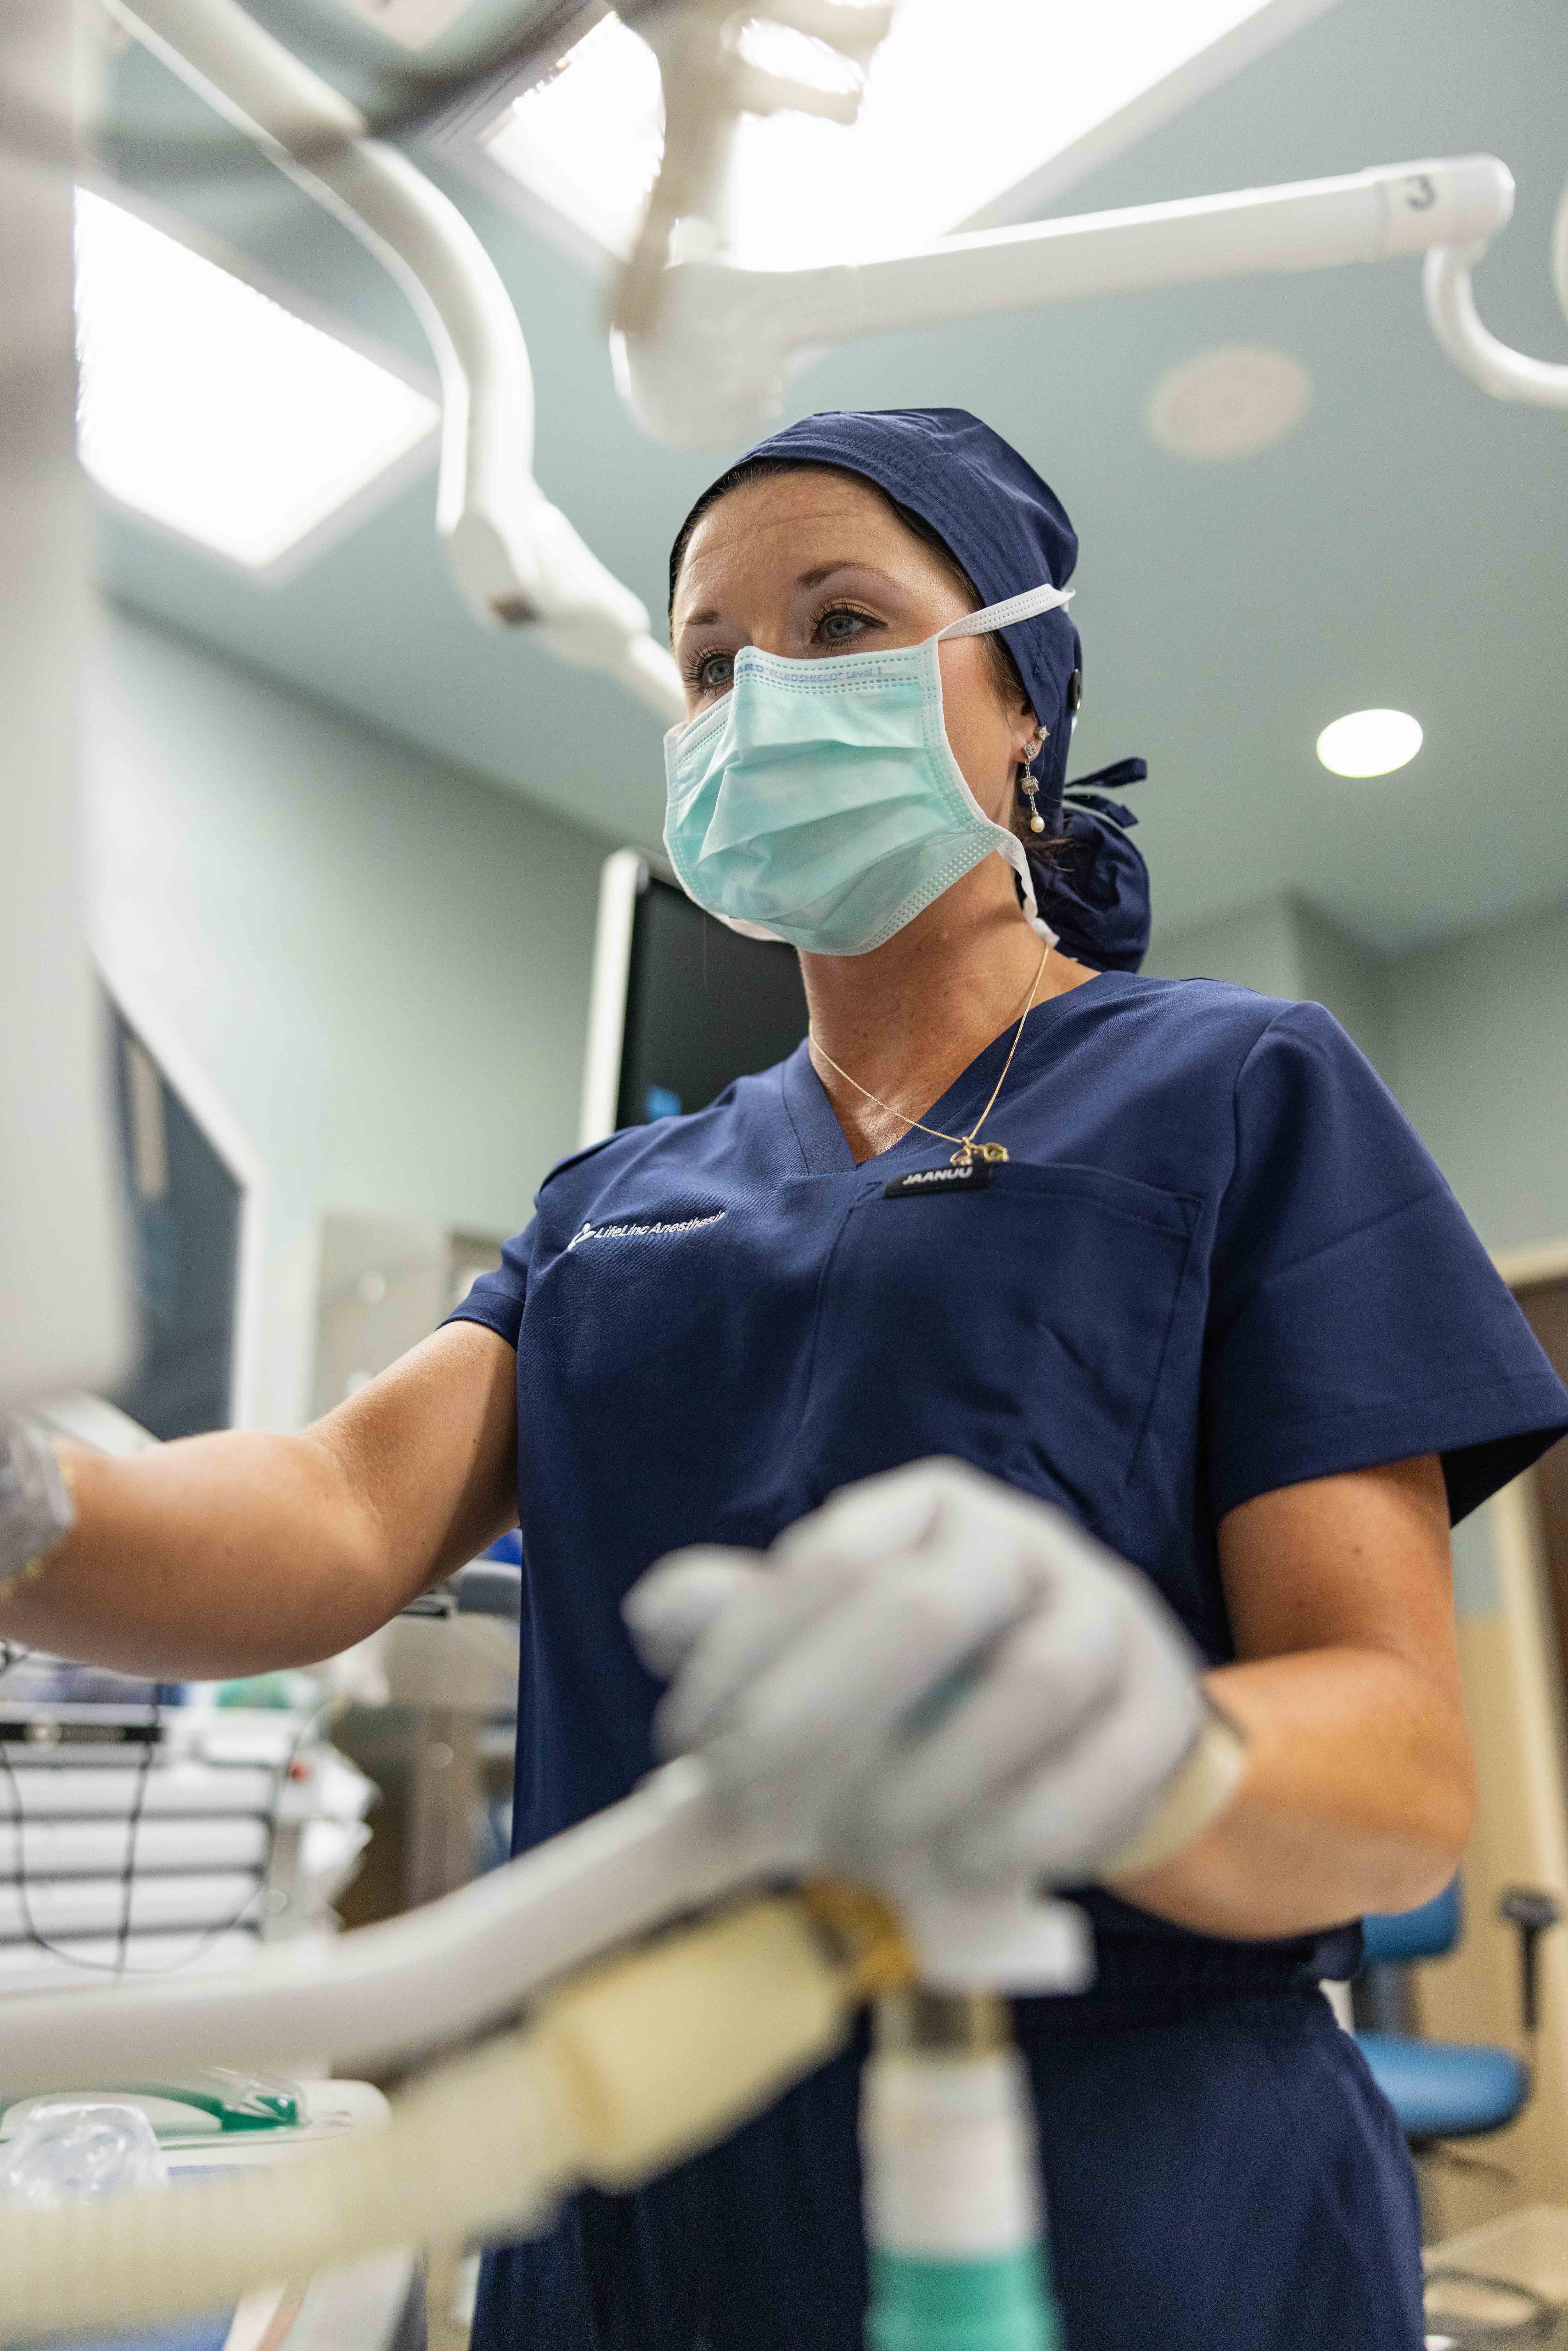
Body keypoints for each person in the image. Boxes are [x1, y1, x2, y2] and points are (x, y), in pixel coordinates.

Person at [3, 407, 1565, 2351]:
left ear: (1023, 708)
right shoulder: (617, 1201)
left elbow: (1401, 1770)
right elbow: (332, 1514)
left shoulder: (1241, 1092)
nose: (764, 698)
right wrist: (36, 1504)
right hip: (626, 2181)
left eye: (844, 624)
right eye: (715, 660)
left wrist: (1142, 1748)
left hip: (1118, 2200)